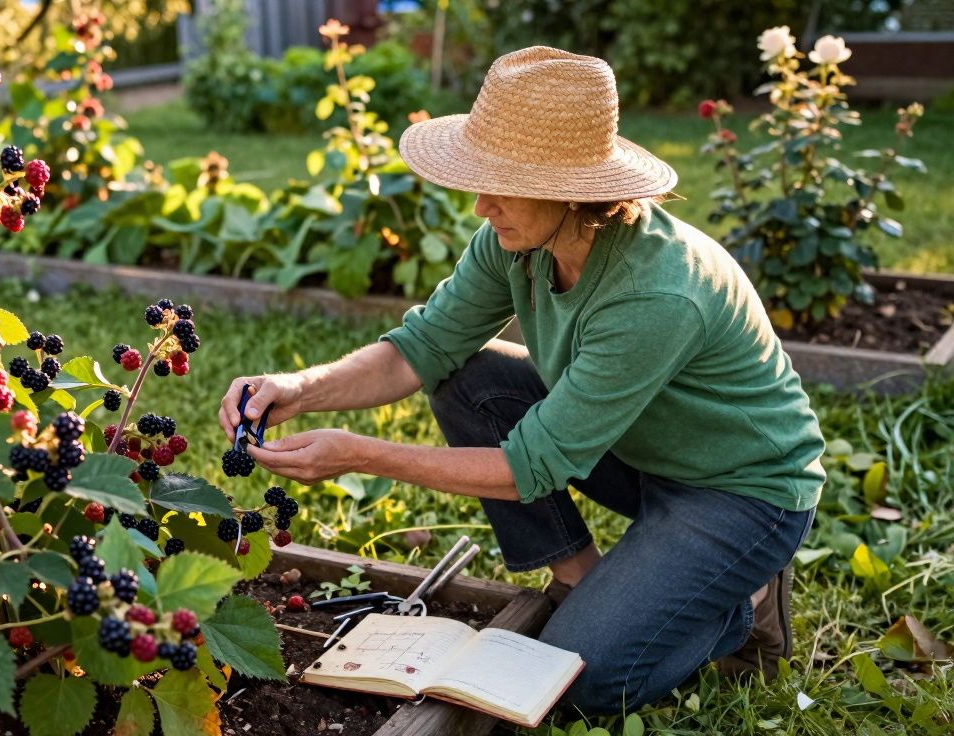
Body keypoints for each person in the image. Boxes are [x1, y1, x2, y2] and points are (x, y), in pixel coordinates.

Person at [218, 46, 825, 715]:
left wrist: (361, 455)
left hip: (741, 492)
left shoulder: (657, 292)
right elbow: (420, 349)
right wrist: (299, 387)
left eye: (500, 185)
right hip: (641, 452)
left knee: (577, 685)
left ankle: (739, 603)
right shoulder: (521, 241)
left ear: (571, 190)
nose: (481, 205)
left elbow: (528, 467)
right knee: (467, 377)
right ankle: (580, 578)